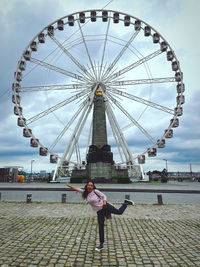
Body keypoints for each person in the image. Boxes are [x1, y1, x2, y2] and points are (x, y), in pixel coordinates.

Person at [66, 179, 134, 251]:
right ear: (86, 186)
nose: (90, 186)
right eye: (89, 185)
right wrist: (69, 185)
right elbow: (76, 188)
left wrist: (104, 202)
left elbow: (104, 196)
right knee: (101, 227)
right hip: (99, 211)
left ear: (93, 186)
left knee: (119, 212)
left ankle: (125, 203)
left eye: (91, 185)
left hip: (105, 207)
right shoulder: (85, 192)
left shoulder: (96, 191)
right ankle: (101, 244)